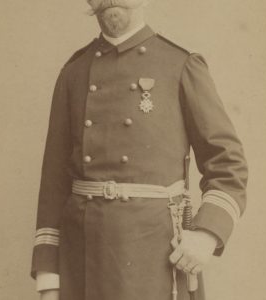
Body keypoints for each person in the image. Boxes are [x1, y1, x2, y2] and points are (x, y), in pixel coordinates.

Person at [31, 1, 248, 300]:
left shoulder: (180, 64)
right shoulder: (74, 72)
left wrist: (207, 234)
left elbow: (228, 164)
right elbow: (53, 182)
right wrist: (48, 280)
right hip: (82, 261)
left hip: (155, 259)